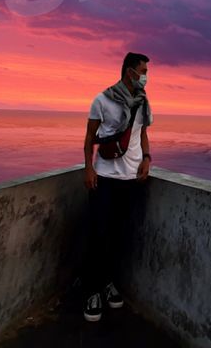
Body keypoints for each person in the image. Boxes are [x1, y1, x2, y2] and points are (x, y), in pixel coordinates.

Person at [81, 51, 153, 322]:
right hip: (105, 177)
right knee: (98, 235)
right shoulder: (103, 99)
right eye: (142, 71)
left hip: (131, 179)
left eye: (146, 71)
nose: (145, 76)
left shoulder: (143, 101)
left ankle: (108, 283)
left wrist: (147, 158)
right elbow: (89, 138)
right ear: (129, 71)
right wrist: (89, 168)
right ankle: (92, 291)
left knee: (119, 236)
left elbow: (143, 133)